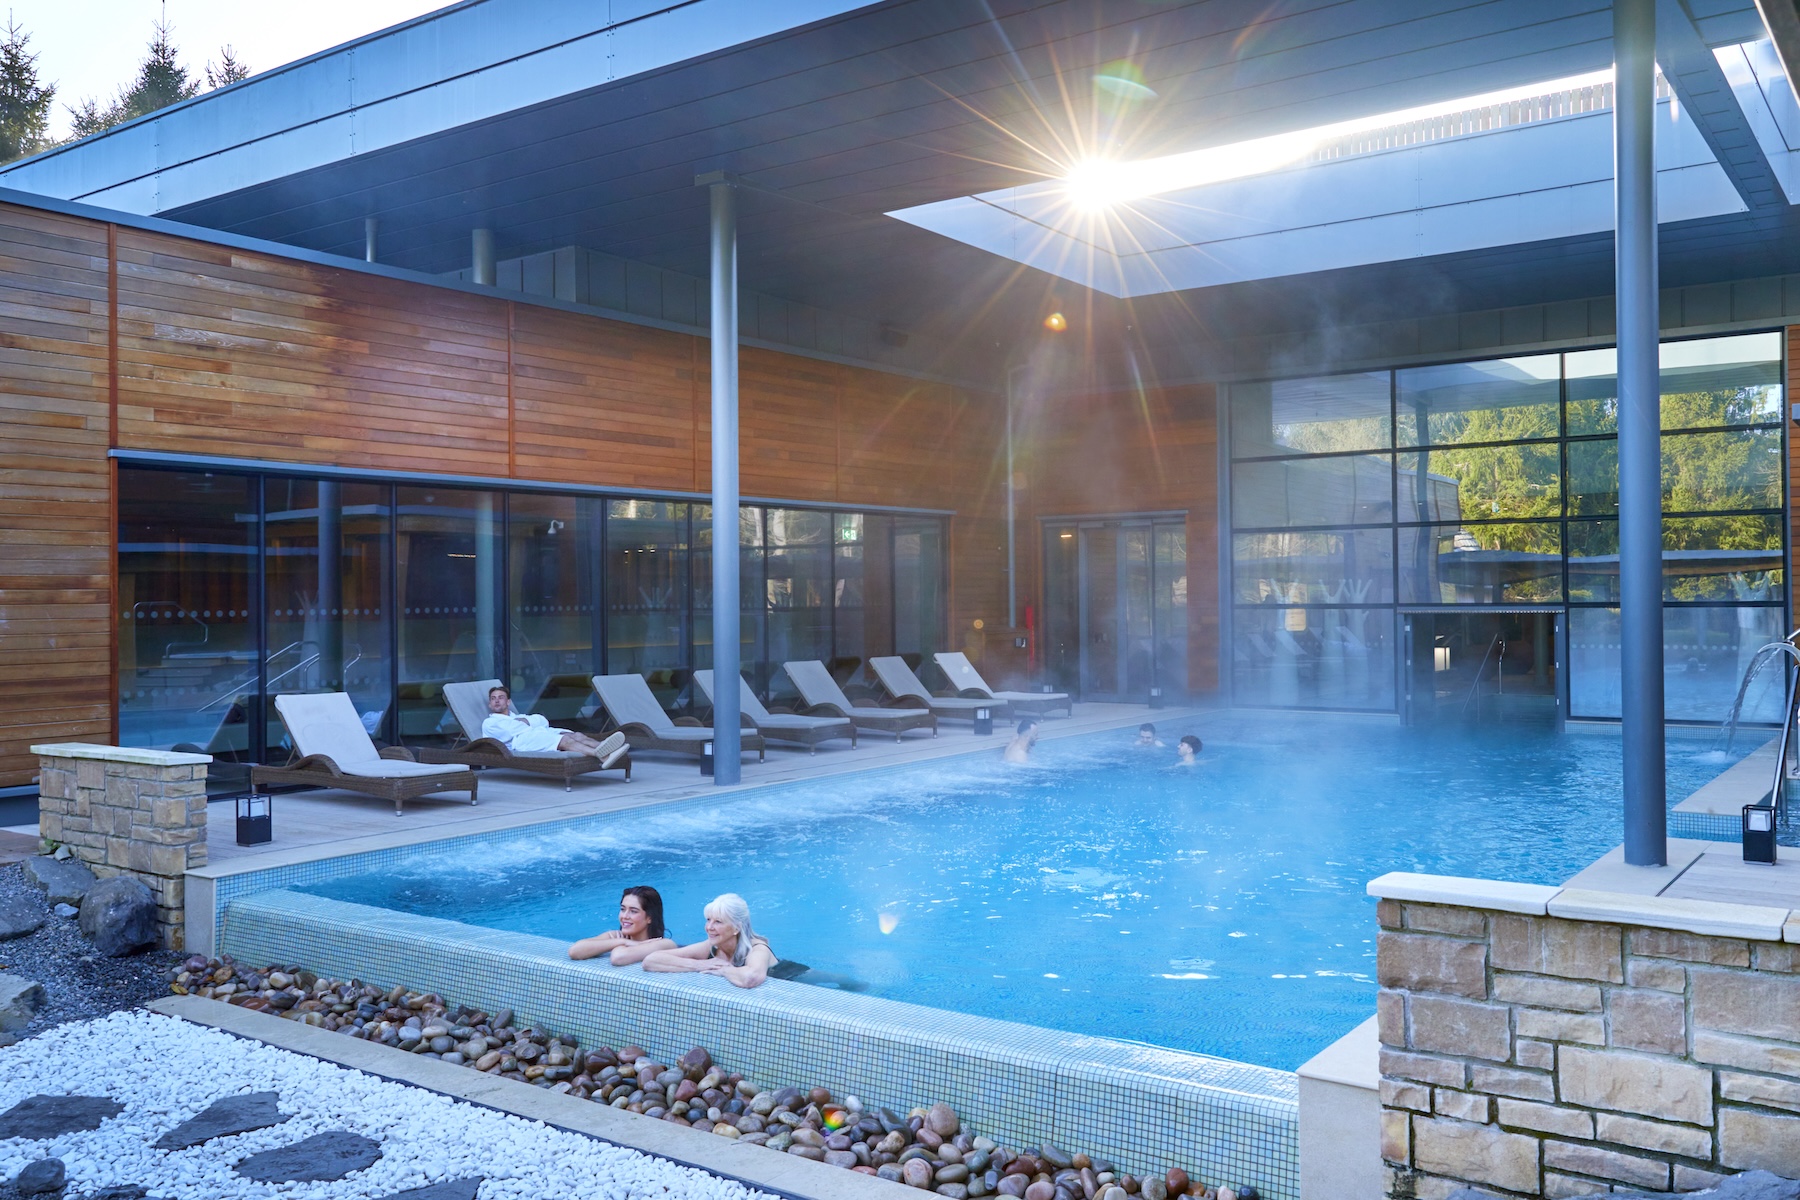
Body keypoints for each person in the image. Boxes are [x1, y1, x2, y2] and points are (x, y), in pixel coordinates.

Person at [643, 893, 779, 988]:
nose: (709, 927)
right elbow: (651, 960)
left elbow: (751, 978)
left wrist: (724, 970)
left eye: (718, 922)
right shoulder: (712, 947)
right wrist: (700, 965)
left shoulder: (758, 949)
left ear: (736, 928)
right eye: (708, 920)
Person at [482, 685, 629, 767]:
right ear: (490, 704)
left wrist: (527, 721)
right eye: (493, 699)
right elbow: (512, 731)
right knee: (566, 741)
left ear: (508, 702)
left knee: (577, 735)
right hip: (521, 743)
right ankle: (601, 755)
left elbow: (542, 720)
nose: (497, 701)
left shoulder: (517, 717)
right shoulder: (490, 723)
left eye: (501, 698)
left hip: (537, 733)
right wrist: (528, 722)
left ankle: (607, 747)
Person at [568, 885, 676, 965]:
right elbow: (575, 951)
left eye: (633, 911)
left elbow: (618, 957)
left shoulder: (664, 944)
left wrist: (623, 943)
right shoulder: (617, 937)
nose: (625, 916)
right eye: (623, 909)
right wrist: (624, 941)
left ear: (650, 918)